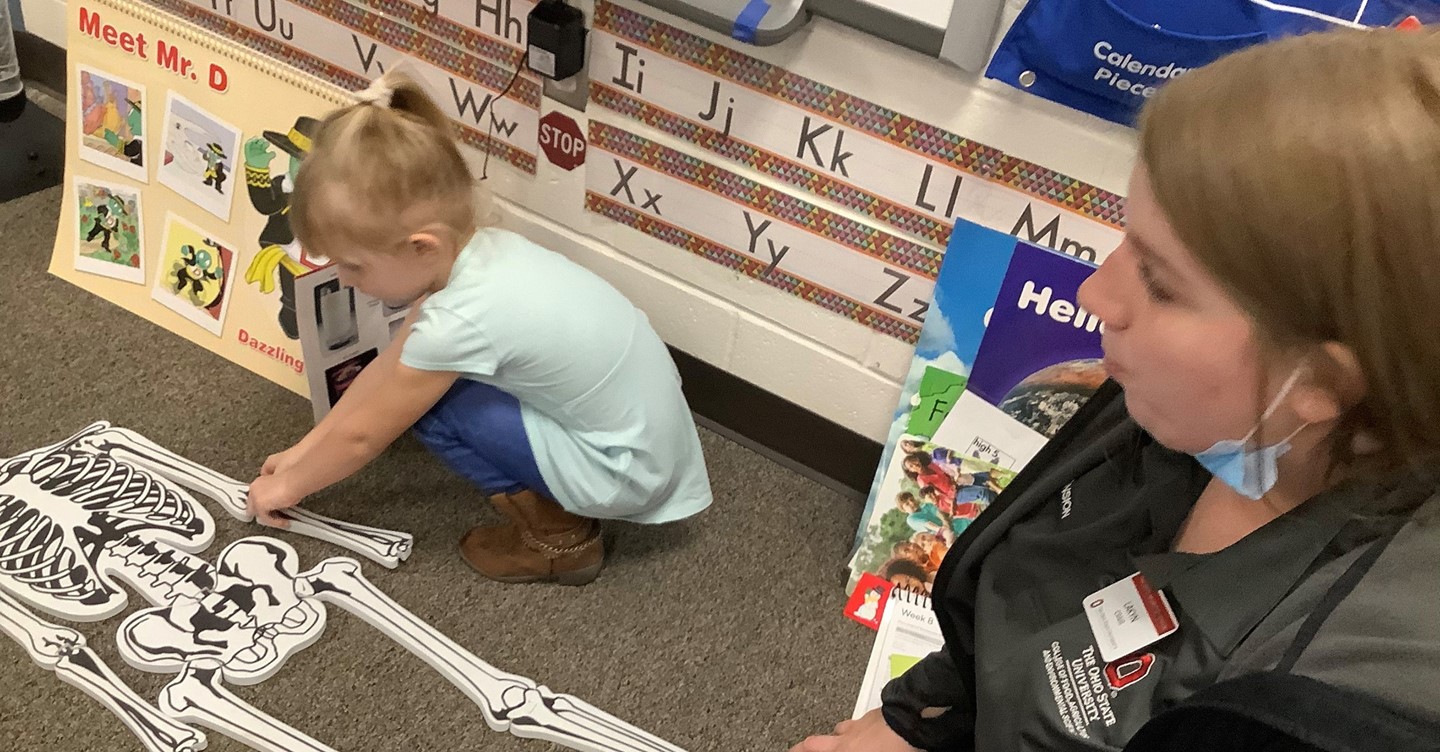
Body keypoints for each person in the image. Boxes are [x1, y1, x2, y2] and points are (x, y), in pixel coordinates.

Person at [792, 25, 1440, 752]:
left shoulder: (1320, 709)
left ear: (1322, 380)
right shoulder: (1200, 406)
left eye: (1160, 282)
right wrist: (918, 721)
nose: (1098, 293)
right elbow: (1021, 596)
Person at [244, 71, 713, 585]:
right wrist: (300, 453)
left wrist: (286, 490)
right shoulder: (487, 254)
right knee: (419, 381)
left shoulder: (458, 320)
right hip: (645, 442)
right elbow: (389, 370)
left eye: (353, 266)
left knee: (434, 407)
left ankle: (560, 540)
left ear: (421, 246)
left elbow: (363, 435)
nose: (346, 281)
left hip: (624, 471)